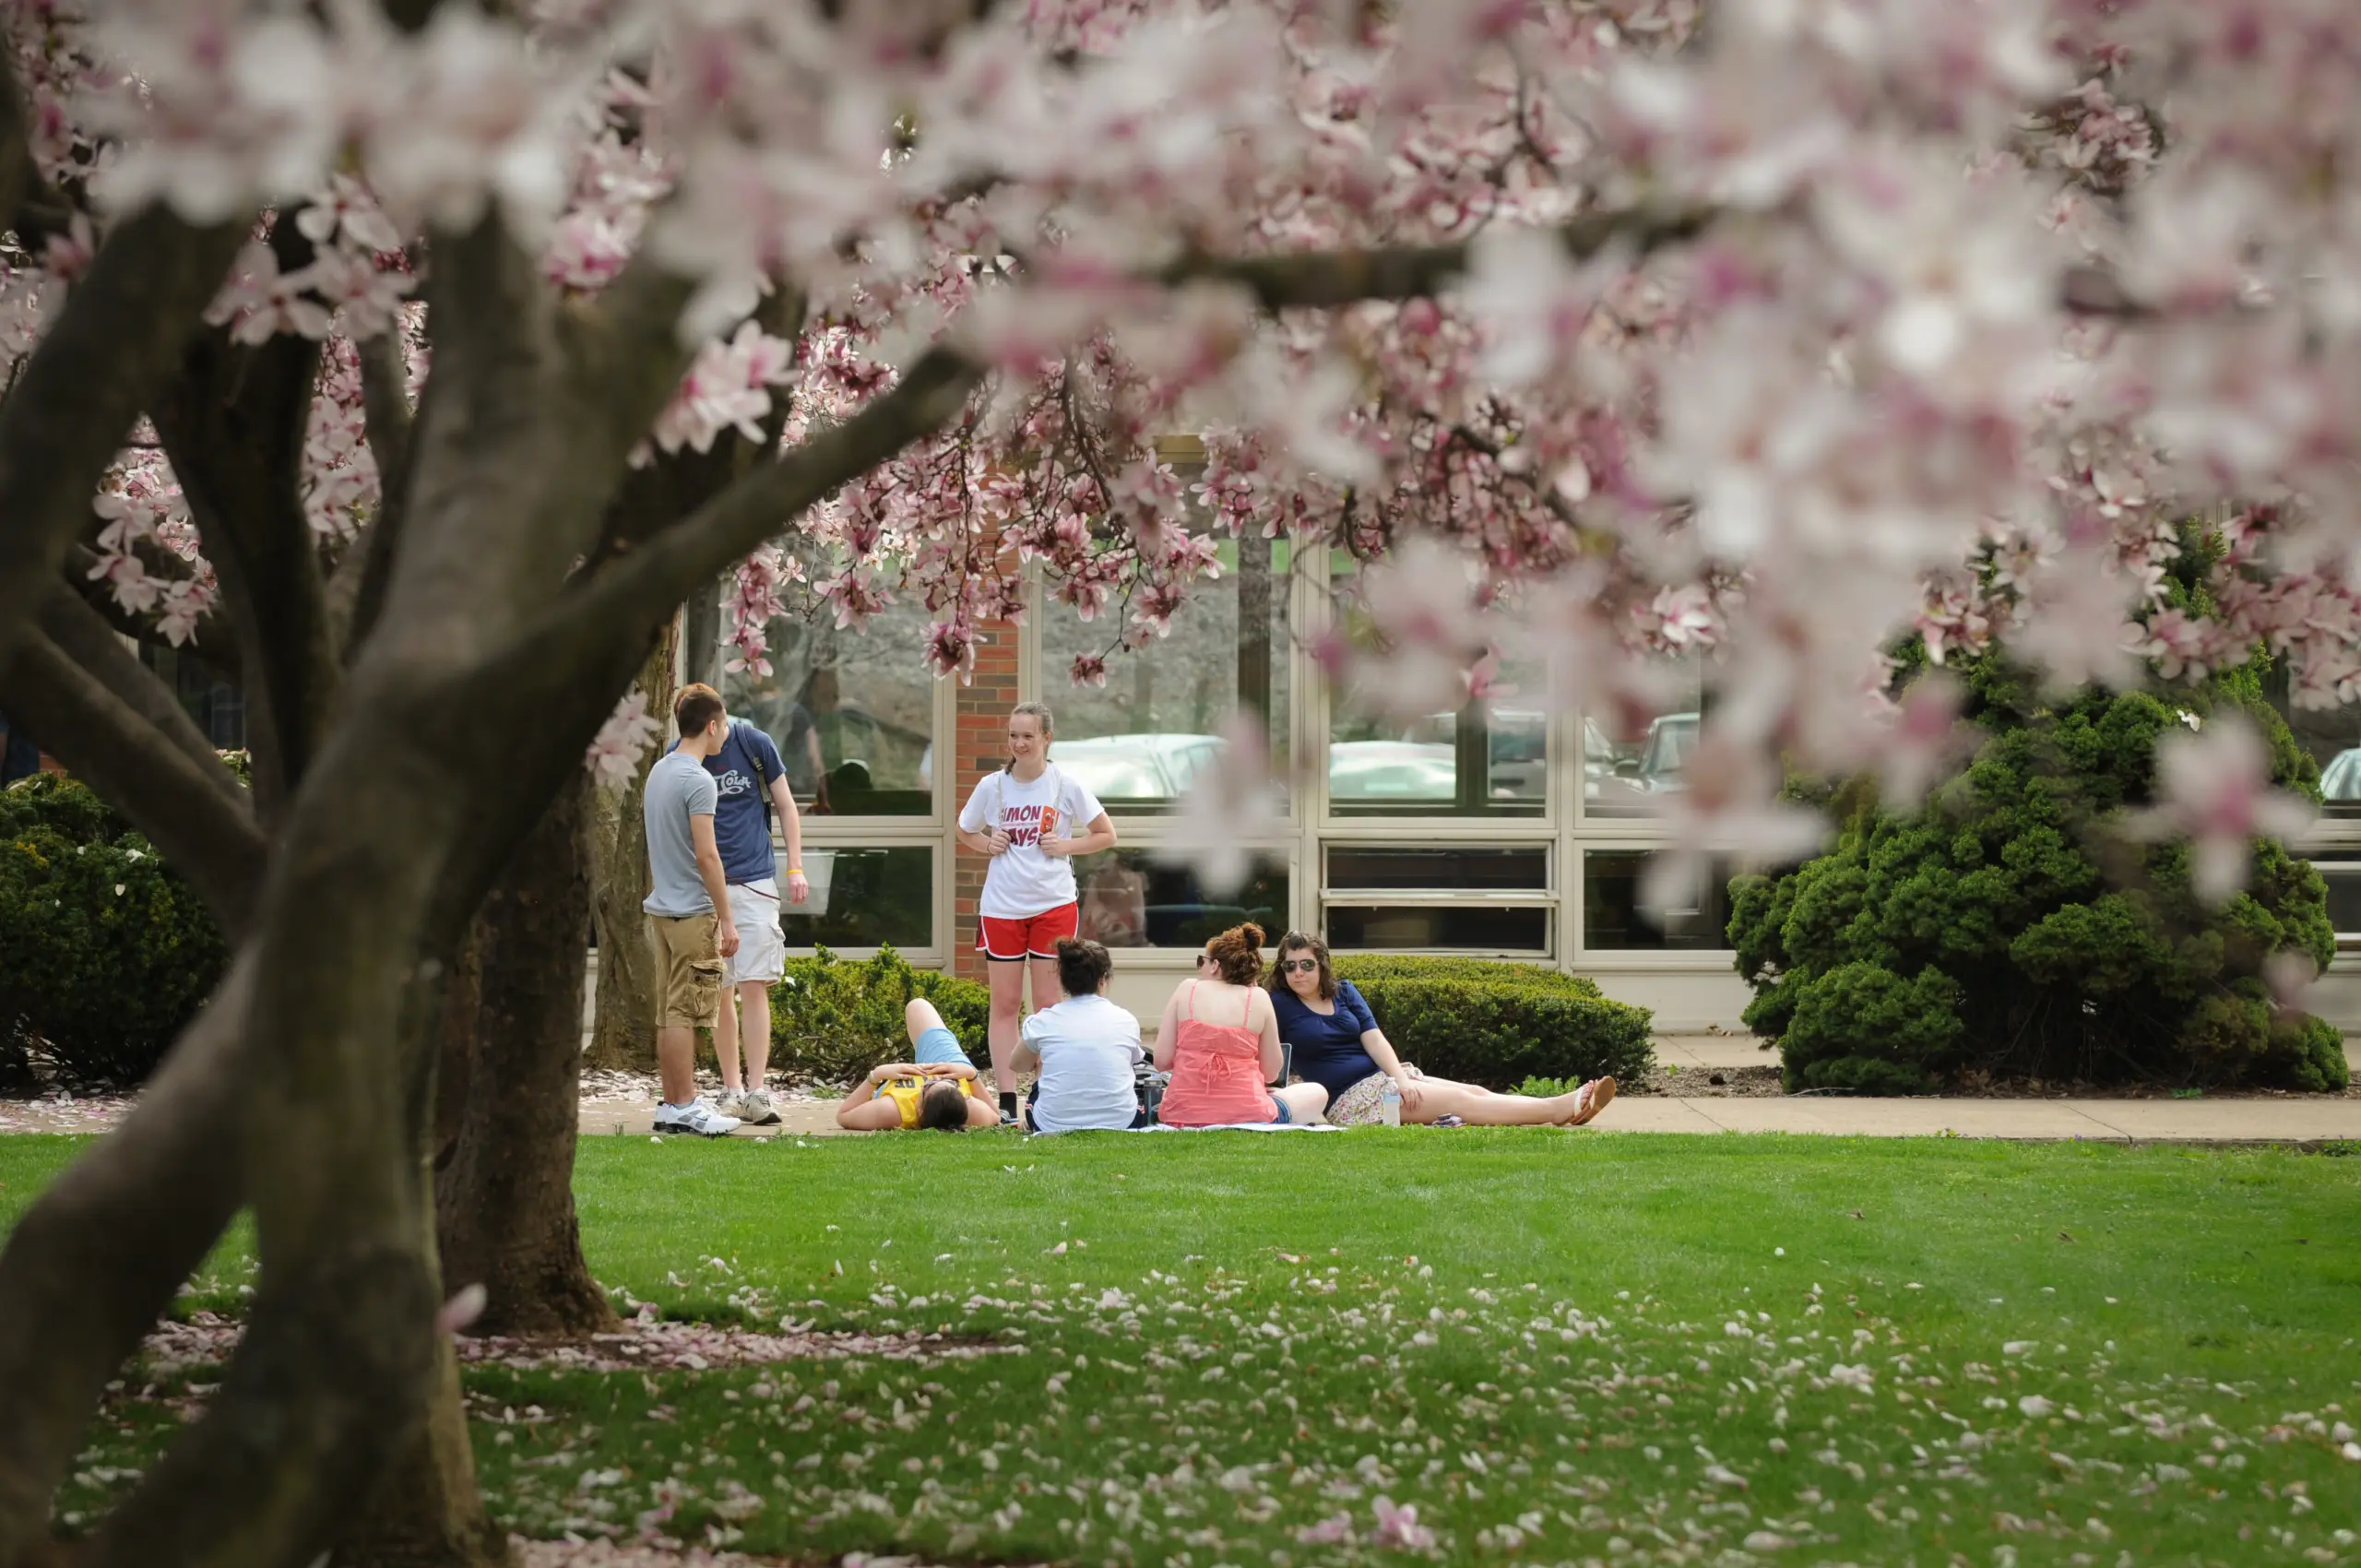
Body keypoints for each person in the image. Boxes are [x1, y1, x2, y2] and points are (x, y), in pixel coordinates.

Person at [1267, 931, 1617, 1127]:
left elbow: (1375, 1040)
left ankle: (1563, 1107)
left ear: (1322, 965)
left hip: (1385, 1082)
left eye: (1307, 964)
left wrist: (1402, 1079)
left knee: (1475, 1090)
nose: (1298, 972)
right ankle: (1557, 1109)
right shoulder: (1281, 1004)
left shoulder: (1345, 991)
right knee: (1460, 1101)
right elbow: (1260, 1045)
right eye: (1290, 965)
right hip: (1352, 1100)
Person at [955, 702, 1119, 1123]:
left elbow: (1105, 834)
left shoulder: (1066, 785)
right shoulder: (993, 786)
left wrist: (1064, 846)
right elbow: (964, 828)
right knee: (1006, 1002)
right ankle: (1008, 1100)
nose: (1020, 743)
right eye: (1013, 735)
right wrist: (984, 844)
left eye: (1028, 735)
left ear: (1047, 738)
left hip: (1053, 904)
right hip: (1003, 906)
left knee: (1047, 1004)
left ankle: (1044, 1095)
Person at [664, 683, 811, 1127]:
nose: (724, 729)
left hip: (754, 880)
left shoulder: (753, 743)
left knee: (754, 983)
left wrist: (795, 867)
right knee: (721, 989)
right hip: (706, 888)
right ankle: (731, 1090)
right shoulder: (682, 758)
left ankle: (758, 1090)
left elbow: (786, 806)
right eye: (720, 723)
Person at [644, 686, 743, 1136]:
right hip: (691, 914)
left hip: (662, 912)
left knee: (669, 1012)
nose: (726, 733)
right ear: (711, 726)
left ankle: (672, 1103)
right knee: (685, 1012)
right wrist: (727, 917)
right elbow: (708, 856)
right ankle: (683, 1105)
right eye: (724, 725)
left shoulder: (659, 772)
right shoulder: (698, 780)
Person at [1155, 922, 1328, 1127]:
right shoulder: (1259, 998)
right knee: (1317, 1092)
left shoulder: (1187, 989)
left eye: (1203, 961)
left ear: (1216, 965)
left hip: (1183, 1114)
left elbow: (1161, 1061)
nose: (1200, 967)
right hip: (1250, 1114)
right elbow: (1272, 1072)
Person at [1014, 938, 1148, 1133]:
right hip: (1121, 1122)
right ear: (1103, 978)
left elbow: (1018, 1065)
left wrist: (1042, 1060)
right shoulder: (1125, 1020)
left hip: (1051, 1124)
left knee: (1043, 1065)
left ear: (1062, 978)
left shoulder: (1043, 1021)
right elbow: (1135, 1061)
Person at [834, 998, 1002, 1131]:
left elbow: (843, 1115)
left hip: (896, 1088)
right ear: (965, 1098)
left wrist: (876, 1075)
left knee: (917, 1006)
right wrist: (971, 1075)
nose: (932, 1078)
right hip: (949, 1065)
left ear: (919, 1109)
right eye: (951, 1084)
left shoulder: (893, 1111)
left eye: (928, 1086)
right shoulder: (971, 1111)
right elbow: (996, 1115)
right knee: (917, 1006)